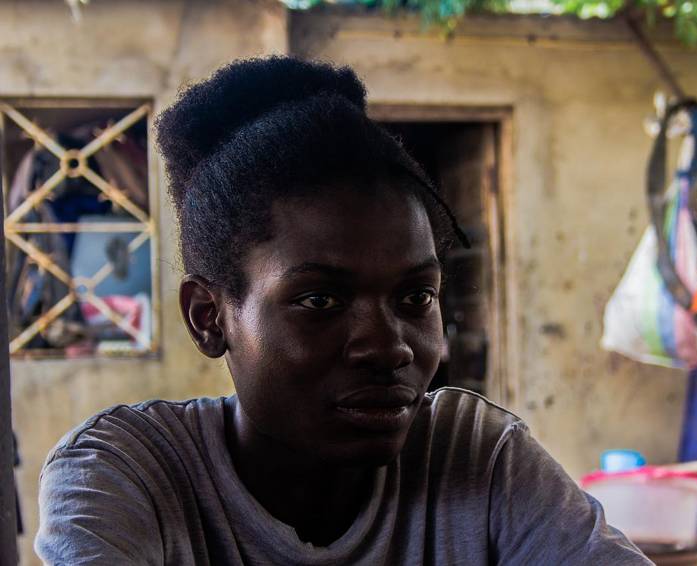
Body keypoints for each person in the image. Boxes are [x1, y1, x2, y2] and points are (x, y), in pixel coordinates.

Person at [35, 56, 651, 565]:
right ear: (209, 316)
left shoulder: (474, 455)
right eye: (320, 300)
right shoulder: (127, 474)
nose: (388, 347)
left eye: (416, 297)